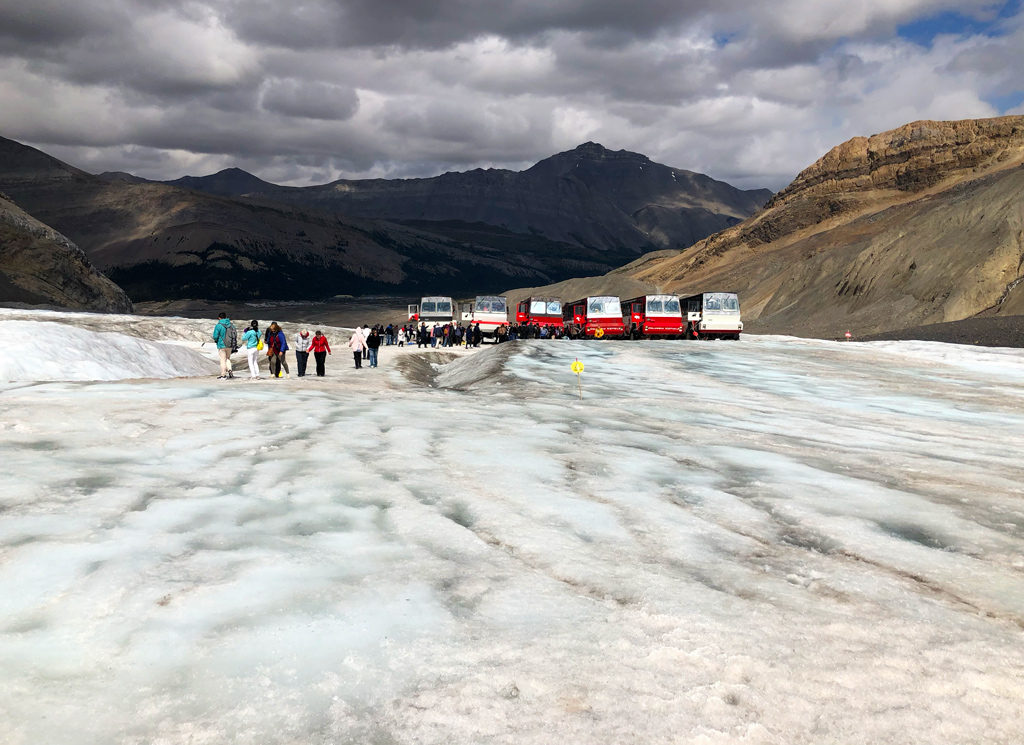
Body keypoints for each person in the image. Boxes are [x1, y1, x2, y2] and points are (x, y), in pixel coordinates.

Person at [211, 312, 235, 379]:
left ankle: (223, 375)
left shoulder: (218, 325)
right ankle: (230, 370)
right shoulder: (231, 325)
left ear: (219, 318)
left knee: (222, 360)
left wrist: (216, 340)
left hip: (221, 345)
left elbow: (215, 336)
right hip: (230, 344)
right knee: (228, 358)